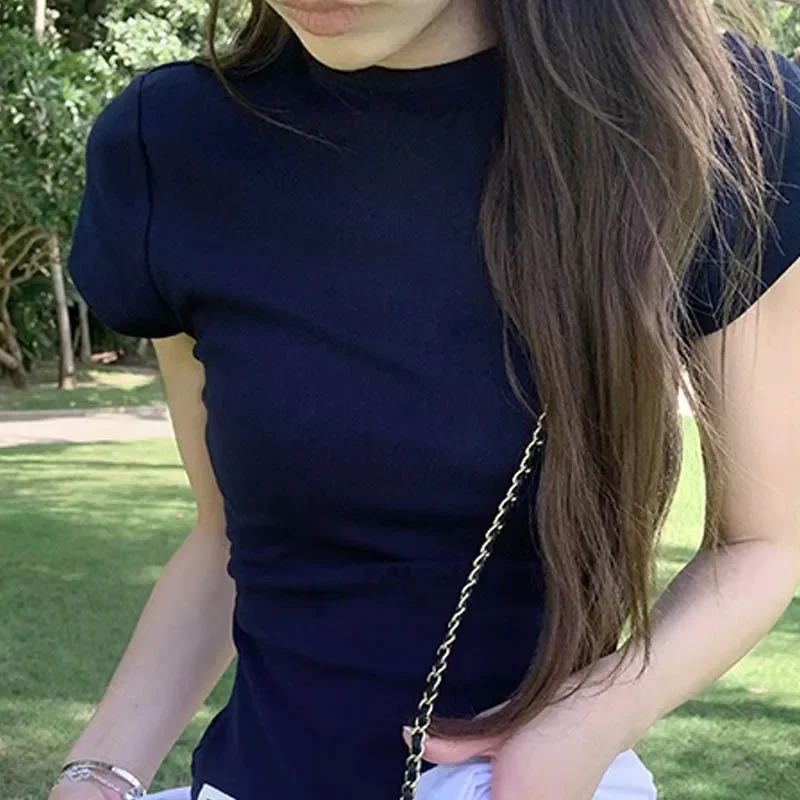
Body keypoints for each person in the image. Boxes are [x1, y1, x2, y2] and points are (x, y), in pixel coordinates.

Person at [52, 0, 800, 798]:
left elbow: (760, 544)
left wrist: (585, 724)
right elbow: (225, 541)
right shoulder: (171, 144)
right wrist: (99, 773)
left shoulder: (712, 117)